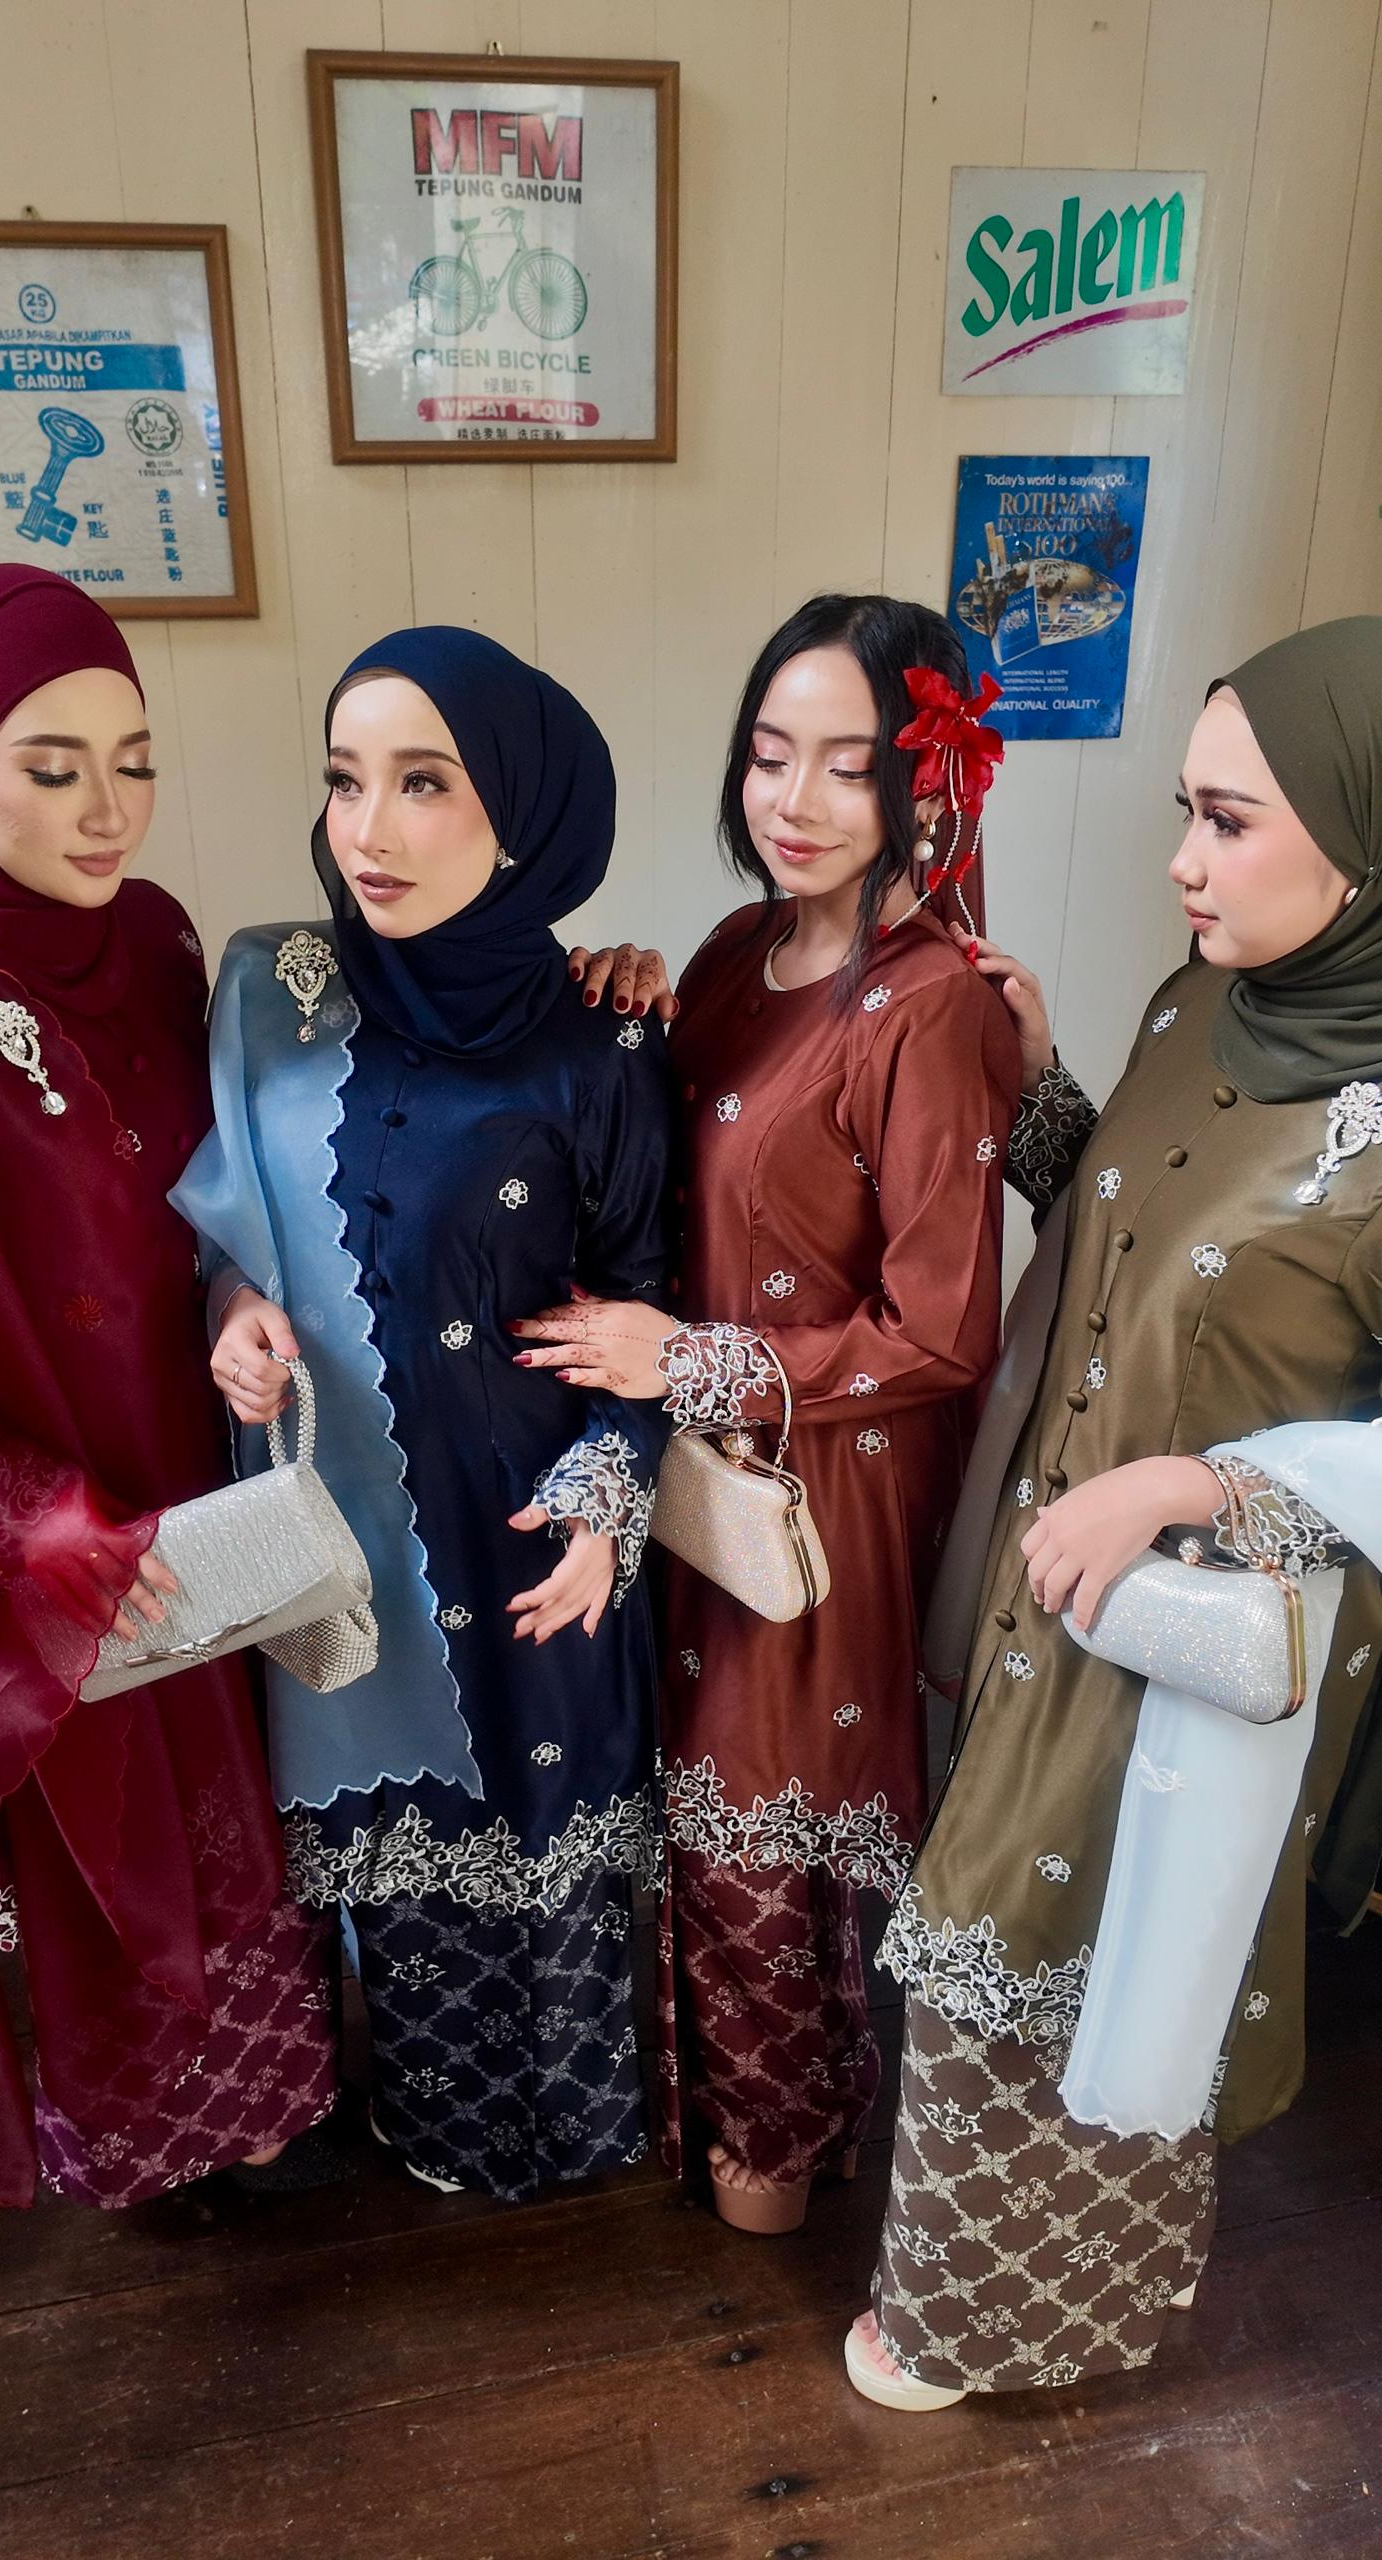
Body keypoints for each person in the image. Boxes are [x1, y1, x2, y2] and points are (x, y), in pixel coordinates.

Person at [834, 615, 1382, 2407]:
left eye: (1229, 821)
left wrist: (1197, 1485)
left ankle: (990, 2323)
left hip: (1200, 1624)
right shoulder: (1192, 1001)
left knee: (1098, 1957)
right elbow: (1128, 1238)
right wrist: (1048, 1079)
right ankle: (978, 2297)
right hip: (1056, 1578)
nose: (1182, 862)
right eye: (1181, 813)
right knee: (1003, 1935)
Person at [513, 594, 1021, 2230]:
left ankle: (787, 2142)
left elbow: (943, 1329)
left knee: (768, 1828)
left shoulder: (932, 1004)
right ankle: (744, 2120)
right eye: (767, 753)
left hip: (831, 1489)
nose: (792, 799)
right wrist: (614, 999)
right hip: (701, 1474)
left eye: (847, 767)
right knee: (703, 1803)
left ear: (926, 784)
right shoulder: (738, 953)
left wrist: (700, 1367)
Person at [175, 626, 674, 2202]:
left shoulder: (604, 1038)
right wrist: (233, 1321)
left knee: (548, 1836)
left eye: (424, 784)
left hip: (532, 1525)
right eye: (344, 782)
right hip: (357, 1536)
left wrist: (604, 1509)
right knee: (400, 1864)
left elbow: (651, 1310)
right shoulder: (276, 997)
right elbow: (230, 1235)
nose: (368, 831)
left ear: (519, 814)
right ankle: (433, 2119)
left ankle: (576, 2133)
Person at [0, 565, 337, 2212]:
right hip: (25, 1513)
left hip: (193, 1456)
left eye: (136, 760)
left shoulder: (162, 938)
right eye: (53, 768)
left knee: (226, 1778)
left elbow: (217, 1188)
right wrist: (29, 1519)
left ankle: (265, 2098)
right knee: (101, 1820)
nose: (108, 811)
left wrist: (236, 1300)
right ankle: (142, 2136)